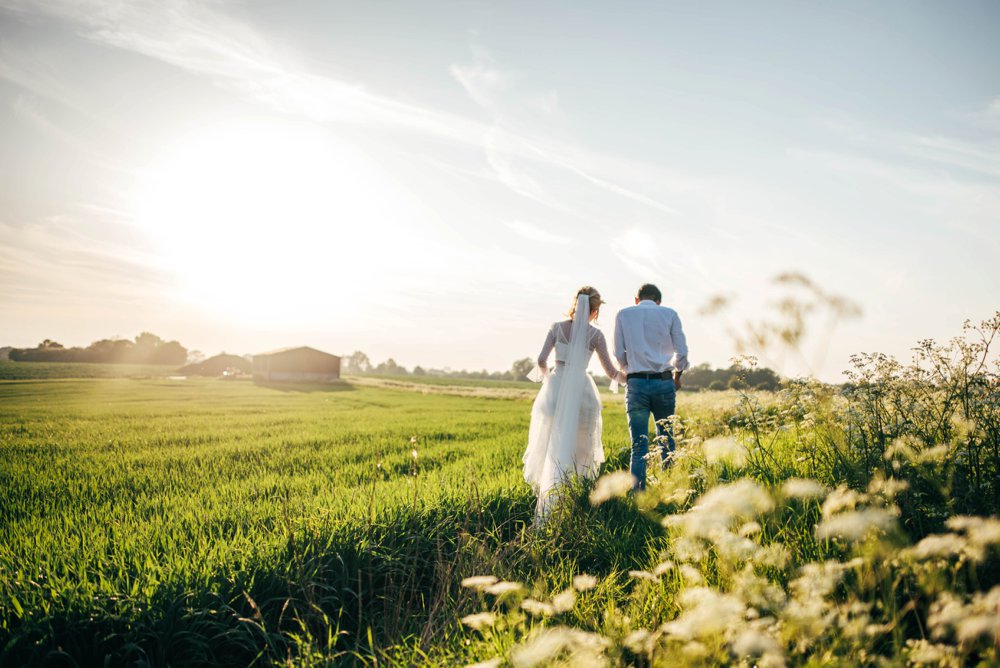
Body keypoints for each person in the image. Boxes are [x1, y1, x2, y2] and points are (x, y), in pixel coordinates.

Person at [523, 287, 627, 520]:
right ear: (594, 310)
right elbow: (612, 373)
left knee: (553, 445)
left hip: (556, 389)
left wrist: (548, 379)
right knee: (581, 448)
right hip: (583, 392)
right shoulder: (595, 336)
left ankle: (550, 498)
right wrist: (632, 376)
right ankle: (575, 499)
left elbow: (541, 360)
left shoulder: (556, 328)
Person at [613, 283, 689, 490]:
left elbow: (618, 352)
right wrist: (677, 376)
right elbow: (681, 352)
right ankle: (670, 490)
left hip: (636, 384)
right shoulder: (670, 314)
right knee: (666, 438)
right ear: (658, 300)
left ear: (636, 299)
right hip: (664, 382)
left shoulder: (623, 314)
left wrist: (631, 370)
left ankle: (638, 494)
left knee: (639, 445)